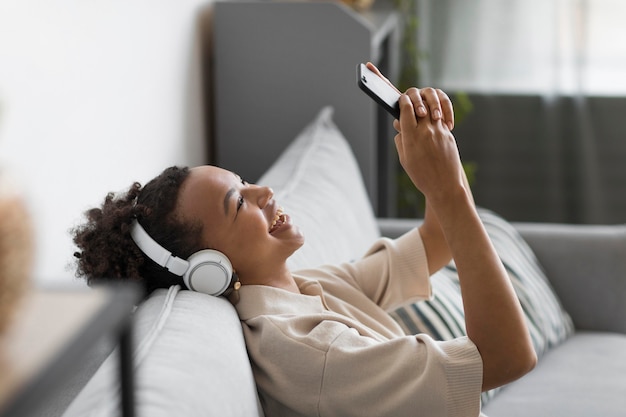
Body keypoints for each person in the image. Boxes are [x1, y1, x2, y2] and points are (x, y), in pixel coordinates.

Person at [72, 63, 536, 417]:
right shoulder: (311, 353)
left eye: (246, 181)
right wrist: (447, 190)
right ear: (208, 271)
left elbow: (439, 240)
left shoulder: (303, 287)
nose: (265, 193)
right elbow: (508, 357)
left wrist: (436, 154)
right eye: (239, 203)